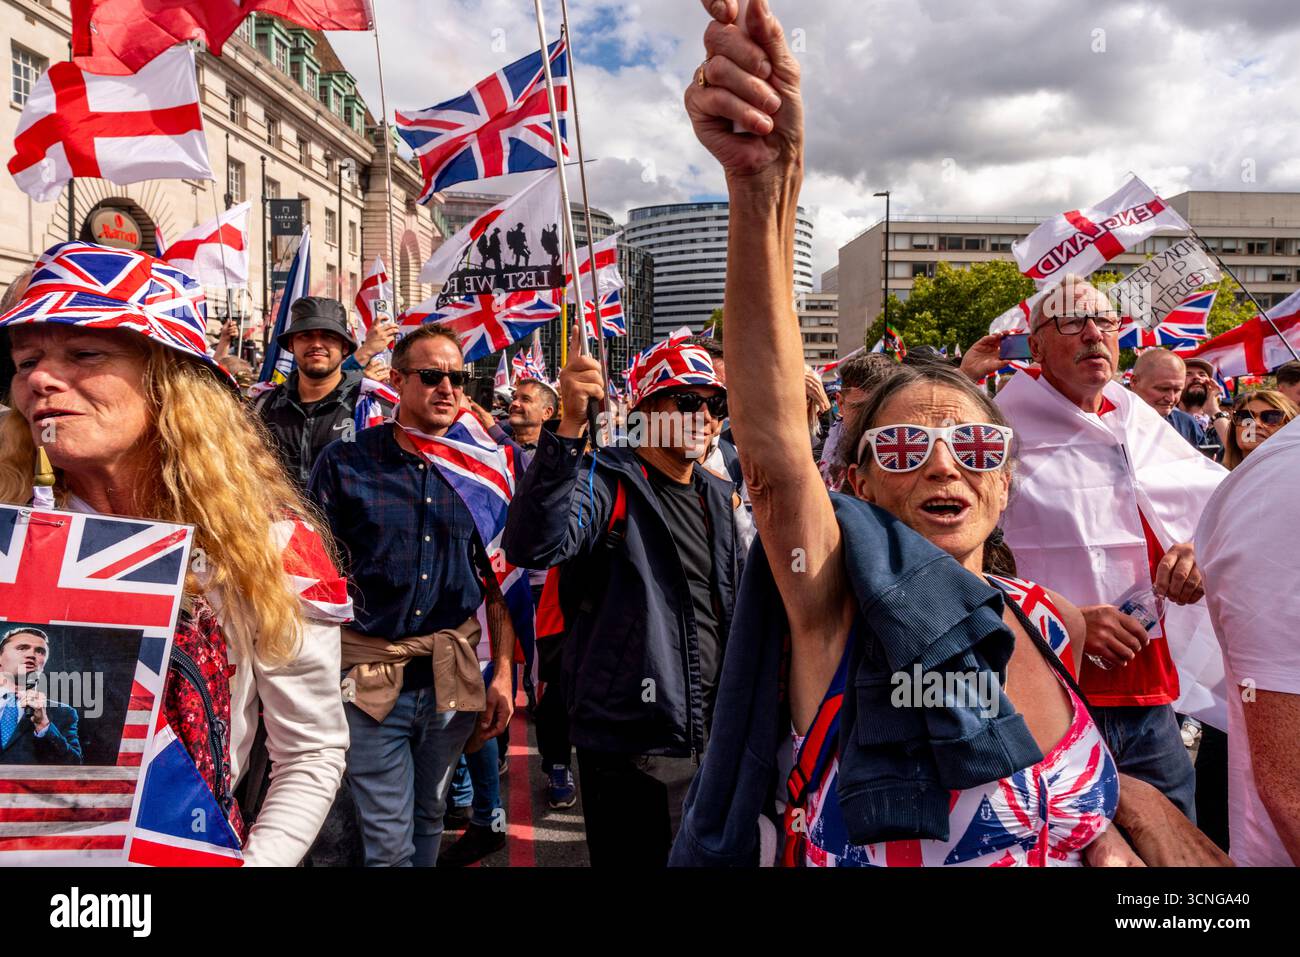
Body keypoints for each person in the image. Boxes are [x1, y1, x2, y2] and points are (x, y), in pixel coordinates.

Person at [672, 0, 1228, 869]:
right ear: (854, 482)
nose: (945, 466)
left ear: (1005, 483)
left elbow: (1078, 818)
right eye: (901, 448)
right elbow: (778, 458)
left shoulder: (1049, 625)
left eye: (976, 451)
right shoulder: (835, 616)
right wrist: (764, 187)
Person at [0, 241, 350, 865]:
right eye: (26, 361)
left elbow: (311, 751)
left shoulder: (271, 546)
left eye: (84, 353)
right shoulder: (9, 533)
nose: (41, 380)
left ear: (170, 383)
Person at [985, 276, 1228, 819]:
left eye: (1106, 321)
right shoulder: (998, 427)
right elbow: (956, 558)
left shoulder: (1136, 417)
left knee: (1176, 860)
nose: (1094, 333)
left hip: (1151, 700)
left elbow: (1211, 504)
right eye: (1073, 321)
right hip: (1047, 699)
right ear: (1038, 343)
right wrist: (1063, 618)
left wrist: (1195, 549)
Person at [503, 322, 745, 867]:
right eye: (685, 401)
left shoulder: (718, 493)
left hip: (712, 737)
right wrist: (567, 428)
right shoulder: (604, 478)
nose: (703, 417)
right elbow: (531, 544)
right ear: (645, 410)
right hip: (631, 741)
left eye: (716, 405)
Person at [308, 323, 517, 867]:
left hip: (451, 679)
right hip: (370, 680)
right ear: (398, 381)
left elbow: (500, 580)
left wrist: (503, 672)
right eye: (431, 376)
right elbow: (312, 577)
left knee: (430, 815)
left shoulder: (481, 469)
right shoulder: (345, 462)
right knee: (388, 845)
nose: (447, 388)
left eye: (457, 377)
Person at [1197, 414, 1300, 864]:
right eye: (1247, 417)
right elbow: (1290, 789)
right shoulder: (1284, 489)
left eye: (1271, 416)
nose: (1256, 425)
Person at [254, 297, 396, 490]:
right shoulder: (262, 405)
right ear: (291, 345)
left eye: (328, 336)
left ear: (344, 347)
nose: (317, 344)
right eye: (306, 336)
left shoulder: (375, 407)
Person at [0, 627, 81, 765]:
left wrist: (43, 724)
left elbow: (74, 765)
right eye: (22, 648)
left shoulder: (64, 713)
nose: (32, 654)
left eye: (40, 651)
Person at [818, 352, 897, 491]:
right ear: (840, 403)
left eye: (879, 408)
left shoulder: (912, 457)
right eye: (860, 408)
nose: (868, 418)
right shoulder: (813, 461)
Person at [1128, 348, 1205, 447]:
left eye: (1177, 390)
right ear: (1134, 382)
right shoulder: (1113, 424)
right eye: (1163, 389)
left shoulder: (1188, 425)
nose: (1171, 398)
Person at [1222, 388, 1298, 470]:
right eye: (1245, 416)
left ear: (1290, 425)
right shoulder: (1217, 477)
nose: (1255, 423)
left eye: (1271, 417)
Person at [1179, 357, 1229, 458]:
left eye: (1202, 374)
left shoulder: (1221, 423)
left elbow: (1237, 451)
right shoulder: (1167, 419)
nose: (1197, 377)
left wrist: (1214, 411)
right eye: (1188, 374)